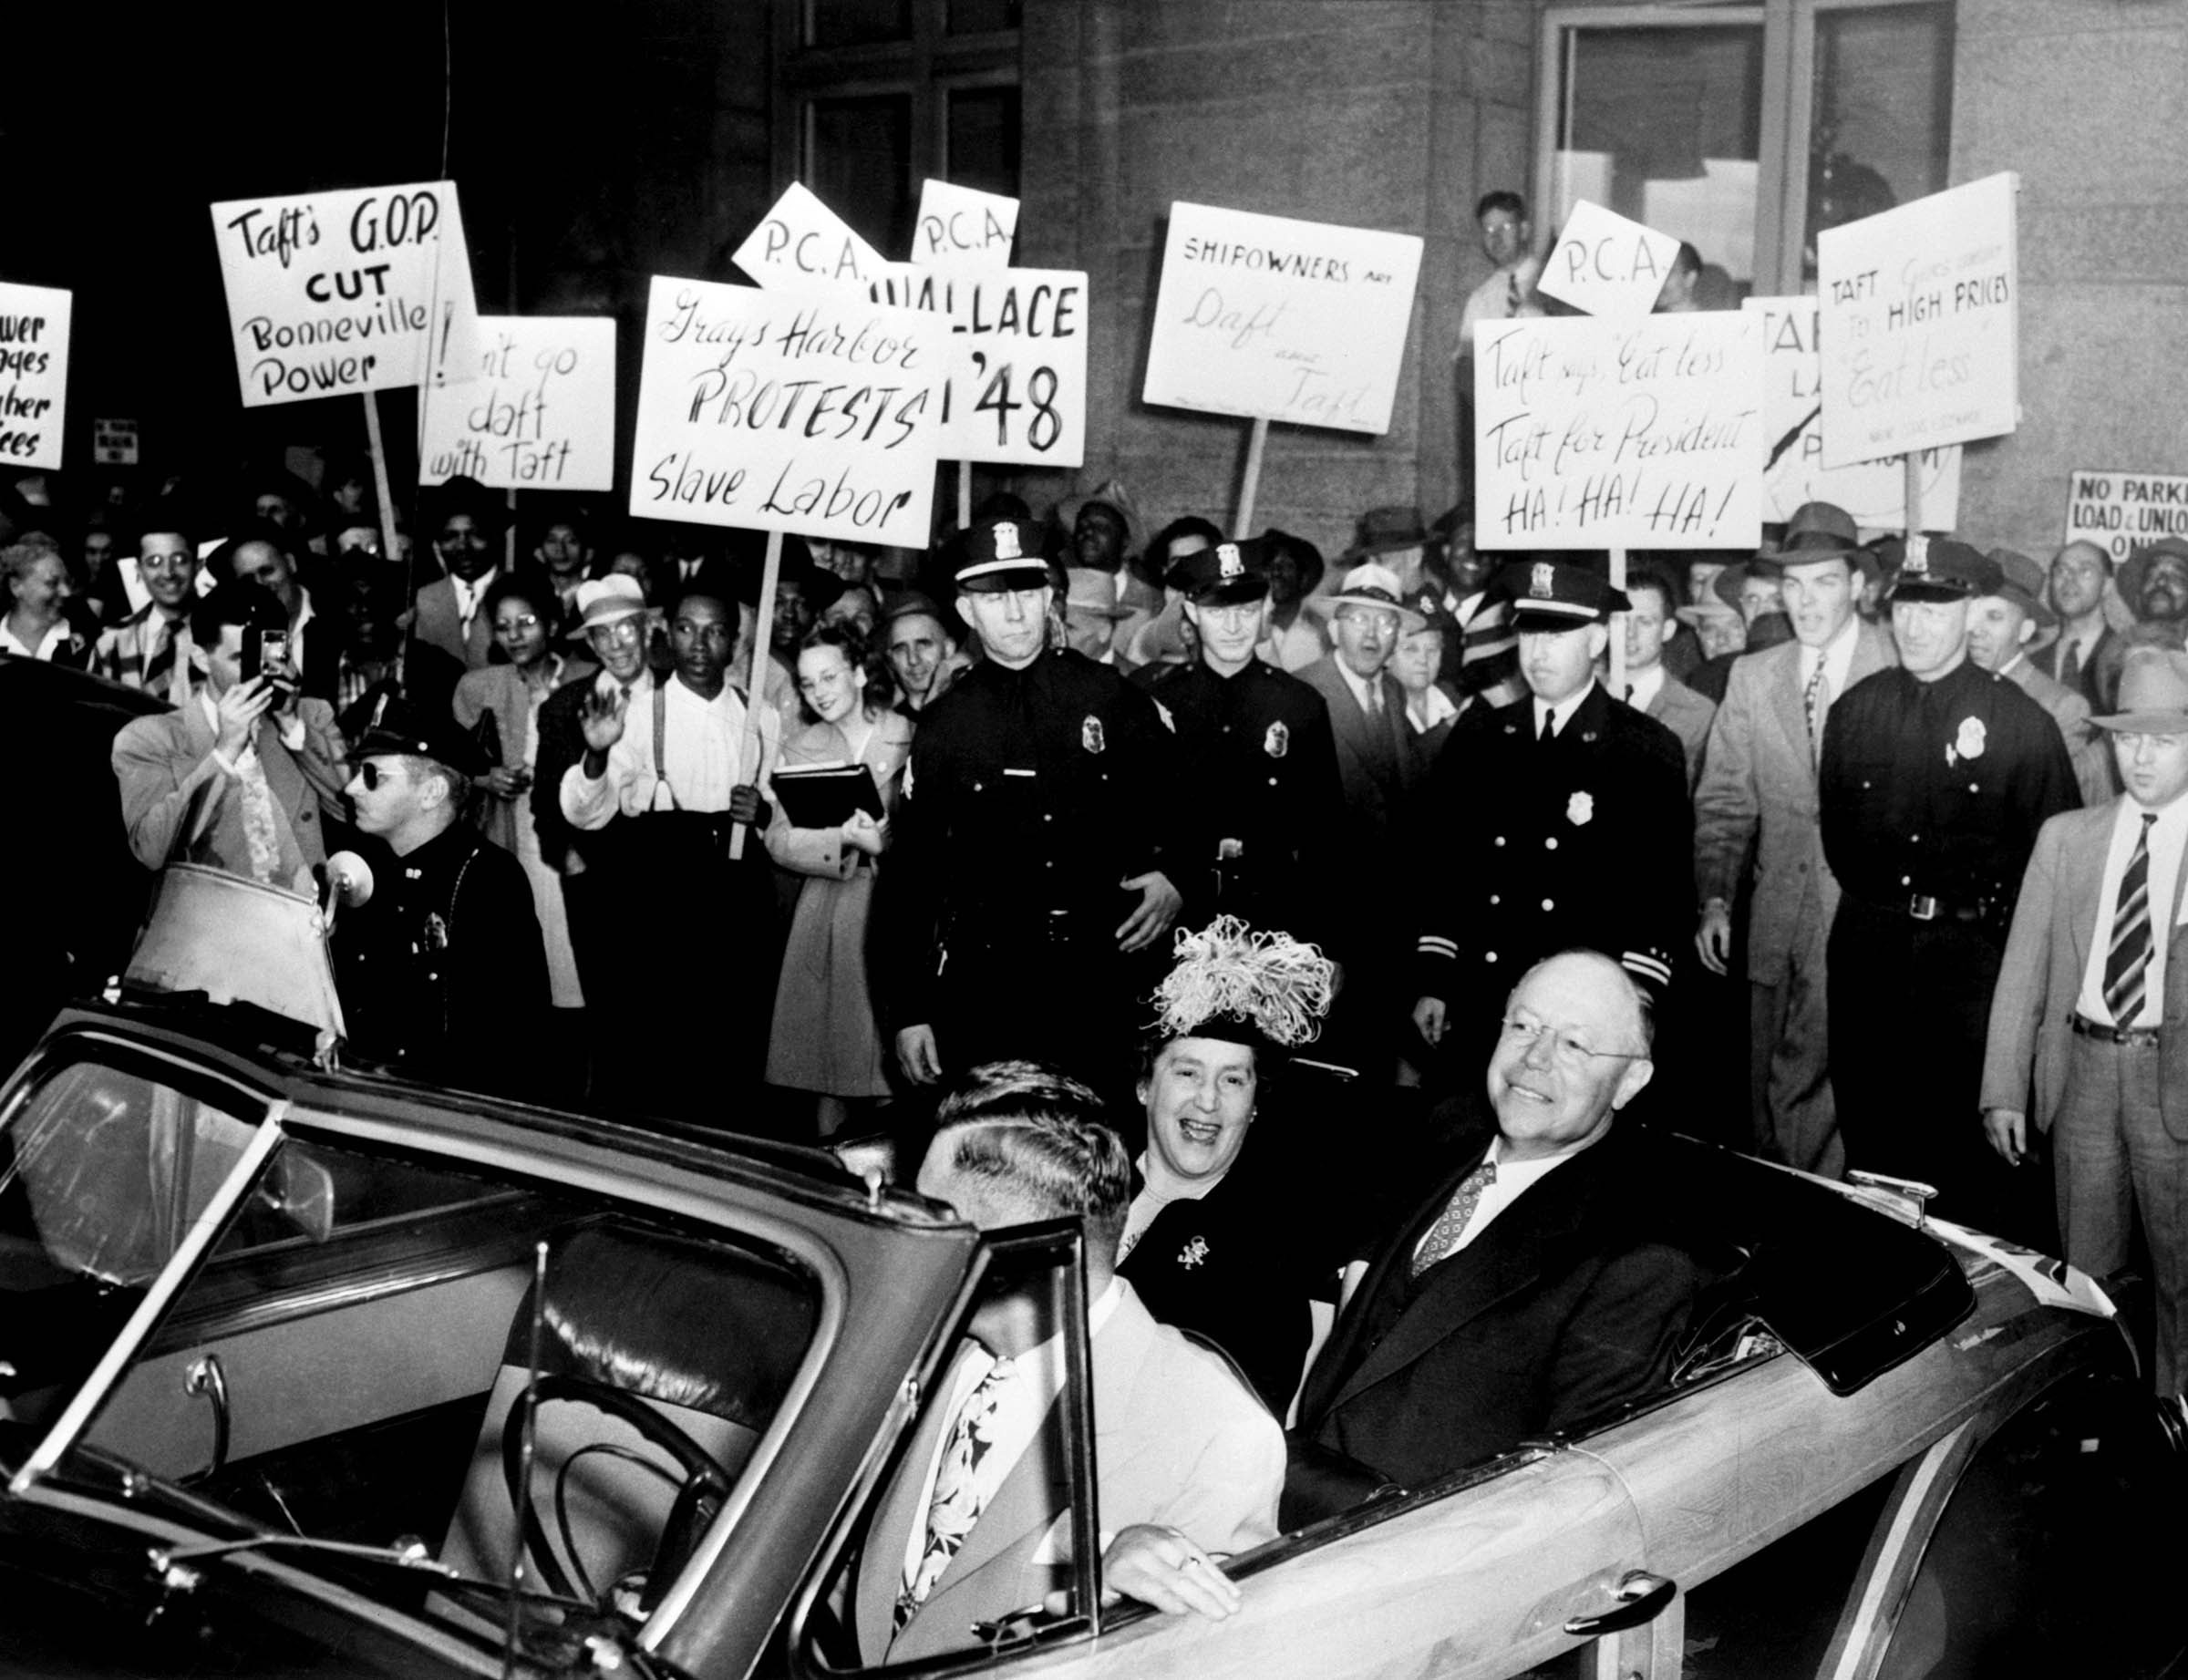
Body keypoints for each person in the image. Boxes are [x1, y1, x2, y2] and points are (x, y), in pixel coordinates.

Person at [855, 1061, 1283, 1665]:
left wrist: (1115, 1607)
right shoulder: (916, 1349)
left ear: (1014, 1248)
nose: (903, 1235)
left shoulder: (1219, 1437)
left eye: (929, 1215)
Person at [1295, 950, 1708, 1488]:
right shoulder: (1440, 1138)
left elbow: (1565, 1493)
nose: (1536, 1057)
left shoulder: (1639, 1263)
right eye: (1524, 1026)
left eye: (1574, 1044)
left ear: (1630, 1081)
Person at [1822, 538, 2080, 1229]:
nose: (1914, 625)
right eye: (1906, 605)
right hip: (1870, 956)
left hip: (1970, 971)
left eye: (1936, 608)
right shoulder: (1856, 712)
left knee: (1963, 1171)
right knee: (1872, 1153)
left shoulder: (2022, 724)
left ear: (1971, 612)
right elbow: (1842, 846)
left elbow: (2054, 878)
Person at [878, 517, 1182, 1102]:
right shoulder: (946, 724)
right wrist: (909, 1010)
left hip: (1098, 978)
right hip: (987, 985)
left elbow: (1184, 799)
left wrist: (1176, 875)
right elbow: (909, 880)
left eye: (1026, 593)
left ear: (1048, 598)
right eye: (995, 599)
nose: (1015, 613)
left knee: (1096, 1148)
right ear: (967, 613)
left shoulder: (1111, 698)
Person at [1983, 647, 2188, 1406]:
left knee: (2182, 1277)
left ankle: (2178, 1421)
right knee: (2087, 1279)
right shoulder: (2067, 837)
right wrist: (2004, 1085)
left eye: (2164, 739)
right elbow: (2022, 971)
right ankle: (2098, 1422)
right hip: (2084, 1075)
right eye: (2128, 737)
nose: (2142, 755)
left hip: (2175, 1079)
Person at [1411, 560, 1689, 1071]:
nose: (1538, 654)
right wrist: (1435, 977)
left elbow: (1663, 896)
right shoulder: (1480, 738)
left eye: (1558, 636)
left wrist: (1634, 1001)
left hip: (1577, 1014)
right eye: (1529, 635)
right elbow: (1444, 869)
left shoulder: (1644, 750)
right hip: (1480, 998)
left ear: (1598, 640)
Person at [1693, 513, 1895, 1178]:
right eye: (1794, 585)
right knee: (1766, 1094)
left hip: (1870, 921)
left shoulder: (1897, 664)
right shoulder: (1754, 676)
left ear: (1858, 586)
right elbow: (1724, 802)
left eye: (1825, 583)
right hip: (1776, 918)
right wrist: (1717, 899)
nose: (1807, 601)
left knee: (1849, 1092)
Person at [1115, 916, 1354, 1414]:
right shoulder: (1084, 1188)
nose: (1207, 1101)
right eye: (1187, 1072)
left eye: (1232, 1081)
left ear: (1254, 1105)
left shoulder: (1270, 1244)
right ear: (1145, 1086)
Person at [562, 583, 782, 1118]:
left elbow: (778, 804)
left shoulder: (762, 716)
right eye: (686, 628)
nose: (699, 644)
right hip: (661, 893)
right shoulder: (637, 712)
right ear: (668, 633)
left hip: (737, 894)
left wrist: (765, 812)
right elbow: (585, 811)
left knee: (731, 1039)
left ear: (736, 641)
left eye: (715, 631)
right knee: (657, 1041)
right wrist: (594, 757)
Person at [335, 702, 550, 1099]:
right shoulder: (362, 866)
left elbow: (513, 1039)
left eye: (372, 776)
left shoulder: (487, 880)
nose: (351, 788)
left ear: (432, 792)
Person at [1141, 538, 1344, 949]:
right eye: (1218, 612)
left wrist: (1328, 942)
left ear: (1266, 608)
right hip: (1179, 927)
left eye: (1247, 610)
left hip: (1272, 924)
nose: (1234, 628)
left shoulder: (1298, 704)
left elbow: (1326, 835)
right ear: (1193, 612)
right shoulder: (1157, 704)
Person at [763, 624, 913, 1137]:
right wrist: (840, 840)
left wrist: (885, 847)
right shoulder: (803, 745)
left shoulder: (910, 735)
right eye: (807, 683)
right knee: (830, 1069)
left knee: (890, 1069)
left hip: (893, 908)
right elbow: (778, 840)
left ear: (860, 671)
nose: (820, 692)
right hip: (827, 913)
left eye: (830, 676)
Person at [110, 582, 348, 893]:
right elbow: (152, 851)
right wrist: (224, 752)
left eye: (274, 656)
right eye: (242, 658)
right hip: (210, 926)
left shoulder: (312, 716)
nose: (264, 673)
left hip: (299, 922)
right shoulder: (150, 739)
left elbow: (351, 811)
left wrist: (292, 726)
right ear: (200, 658)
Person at [452, 571, 594, 1022]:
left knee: (581, 960)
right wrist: (485, 778)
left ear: (552, 624)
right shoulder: (478, 687)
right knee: (524, 960)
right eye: (503, 624)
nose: (515, 634)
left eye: (527, 621)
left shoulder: (588, 680)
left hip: (577, 839)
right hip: (511, 837)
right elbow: (448, 769)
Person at [1296, 562, 1426, 854]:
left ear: (1397, 637)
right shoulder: (1302, 692)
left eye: (1385, 623)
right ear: (1333, 630)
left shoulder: (1394, 692)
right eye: (1357, 620)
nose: (1371, 635)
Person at [1970, 548, 2113, 807]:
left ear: (2025, 631)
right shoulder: (1951, 689)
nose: (1975, 630)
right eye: (1970, 614)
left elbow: (2048, 806)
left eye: (1994, 617)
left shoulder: (2060, 707)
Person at [1618, 562, 1716, 793]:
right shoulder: (1580, 698)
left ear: (1668, 630)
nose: (1630, 634)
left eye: (1645, 621)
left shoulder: (1699, 713)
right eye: (1622, 620)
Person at [93, 520, 200, 701]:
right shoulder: (112, 641)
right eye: (154, 562)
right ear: (139, 571)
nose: (168, 573)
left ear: (197, 565)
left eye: (179, 560)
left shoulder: (225, 632)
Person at [411, 477, 505, 670]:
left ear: (494, 536)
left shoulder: (518, 592)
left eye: (475, 534)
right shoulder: (423, 600)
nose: (462, 547)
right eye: (450, 537)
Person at [2032, 539, 2116, 709]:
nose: (2070, 579)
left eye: (2085, 571)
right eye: (2062, 571)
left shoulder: (2124, 657)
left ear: (2107, 586)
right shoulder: (2034, 663)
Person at [1456, 190, 1542, 354]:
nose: (1496, 237)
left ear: (1524, 231)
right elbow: (1467, 362)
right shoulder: (1481, 299)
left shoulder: (1551, 284)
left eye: (1506, 227)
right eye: (1489, 230)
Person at [1, 541, 89, 665]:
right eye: (52, 583)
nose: (66, 592)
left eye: (68, 582)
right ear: (16, 586)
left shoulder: (89, 637)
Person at [1254, 528, 1328, 673]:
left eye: (1287, 566)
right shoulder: (1244, 630)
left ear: (1304, 578)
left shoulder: (1317, 640)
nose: (1275, 572)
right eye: (1268, 566)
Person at [881, 593, 968, 717]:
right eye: (901, 649)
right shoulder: (888, 727)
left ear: (948, 649)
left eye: (923, 645)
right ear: (891, 659)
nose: (913, 659)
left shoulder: (973, 711)